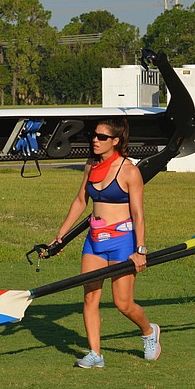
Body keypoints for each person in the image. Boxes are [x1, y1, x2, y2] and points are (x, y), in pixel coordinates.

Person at [52, 118, 160, 368]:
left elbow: (138, 214)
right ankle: (95, 353)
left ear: (116, 141)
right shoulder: (90, 165)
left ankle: (148, 331)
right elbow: (81, 201)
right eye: (94, 135)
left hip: (122, 241)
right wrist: (61, 235)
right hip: (94, 242)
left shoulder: (129, 171)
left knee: (123, 303)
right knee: (90, 297)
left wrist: (140, 250)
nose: (95, 140)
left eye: (101, 137)